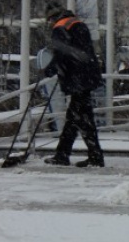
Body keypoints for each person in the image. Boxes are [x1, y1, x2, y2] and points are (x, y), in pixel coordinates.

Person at [42, 1, 105, 168]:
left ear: (52, 18)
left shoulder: (60, 27)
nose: (49, 23)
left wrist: (49, 70)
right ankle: (72, 154)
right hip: (88, 77)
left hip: (77, 80)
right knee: (78, 118)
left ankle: (83, 156)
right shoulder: (77, 23)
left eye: (49, 20)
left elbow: (62, 54)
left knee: (81, 118)